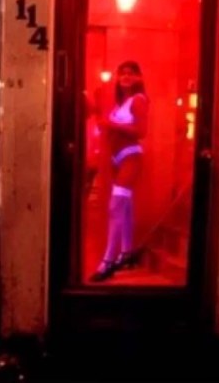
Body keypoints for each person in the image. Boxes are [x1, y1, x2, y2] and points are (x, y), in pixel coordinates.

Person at [88, 60, 149, 282]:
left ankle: (108, 261)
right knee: (125, 207)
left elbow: (142, 131)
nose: (125, 76)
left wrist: (111, 125)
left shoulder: (139, 100)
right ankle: (126, 252)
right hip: (118, 158)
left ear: (138, 77)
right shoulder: (121, 102)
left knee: (115, 207)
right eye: (122, 72)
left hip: (131, 155)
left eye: (131, 73)